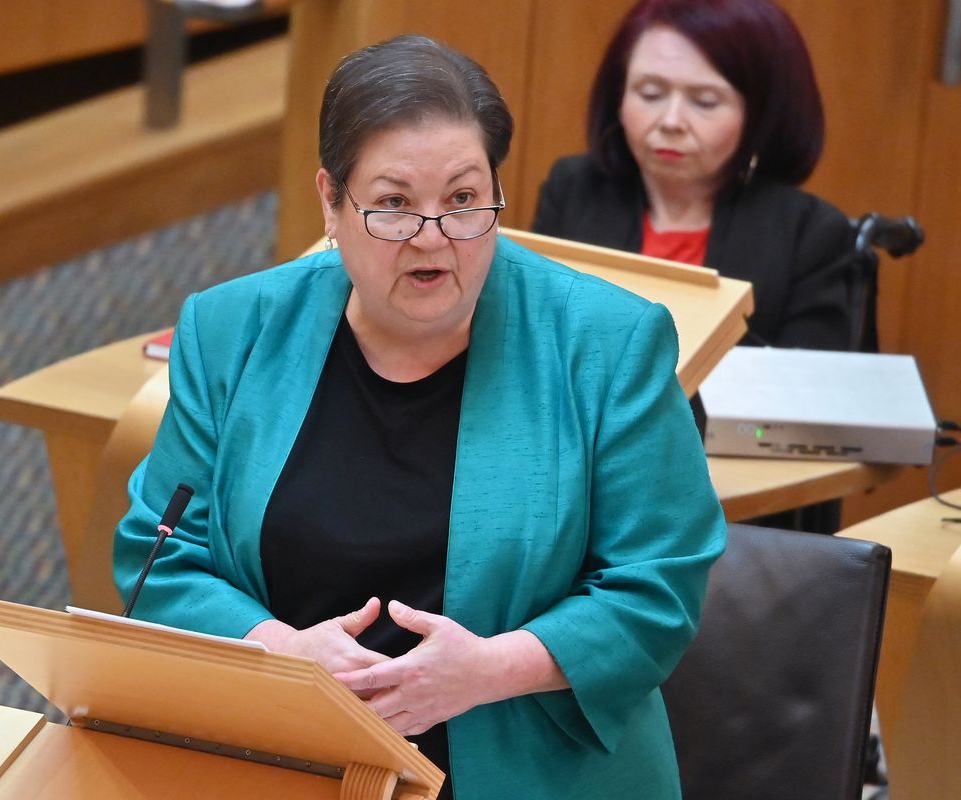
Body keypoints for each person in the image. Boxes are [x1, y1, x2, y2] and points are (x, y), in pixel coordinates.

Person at [115, 34, 725, 799]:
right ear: (330, 203)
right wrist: (279, 652)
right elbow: (159, 553)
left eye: (464, 199)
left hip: (528, 762)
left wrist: (491, 669)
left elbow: (658, 581)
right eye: (395, 205)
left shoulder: (606, 343)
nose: (434, 238)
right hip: (283, 758)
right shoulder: (232, 329)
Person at [532, 0, 855, 352]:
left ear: (762, 115)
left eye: (704, 102)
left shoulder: (809, 234)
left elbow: (806, 390)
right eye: (650, 93)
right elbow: (530, 337)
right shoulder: (574, 190)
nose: (671, 121)